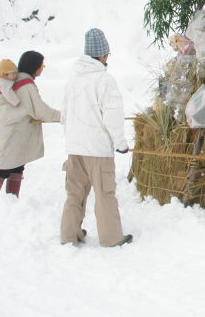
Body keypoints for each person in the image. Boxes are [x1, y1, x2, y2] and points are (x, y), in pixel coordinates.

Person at [60, 28, 133, 247]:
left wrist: (72, 139)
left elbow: (65, 114)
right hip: (98, 151)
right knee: (105, 194)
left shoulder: (72, 79)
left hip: (74, 148)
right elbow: (112, 116)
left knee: (74, 194)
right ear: (102, 55)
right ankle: (111, 238)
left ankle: (69, 235)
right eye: (107, 54)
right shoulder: (104, 80)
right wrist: (120, 144)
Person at [0, 51, 61, 213]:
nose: (42, 69)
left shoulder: (19, 81)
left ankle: (11, 202)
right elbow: (39, 110)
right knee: (4, 168)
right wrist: (63, 116)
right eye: (41, 66)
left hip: (15, 133)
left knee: (16, 166)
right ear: (35, 67)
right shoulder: (25, 85)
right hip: (12, 134)